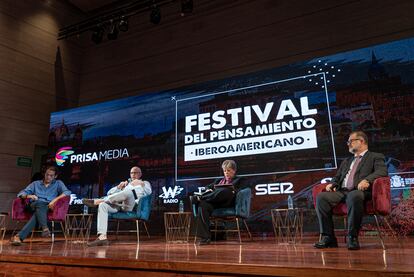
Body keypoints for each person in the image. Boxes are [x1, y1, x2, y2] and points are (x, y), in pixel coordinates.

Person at [314, 131, 388, 250]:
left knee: (354, 196)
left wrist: (367, 180)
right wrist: (333, 183)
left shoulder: (375, 156)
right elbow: (337, 176)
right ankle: (328, 237)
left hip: (361, 191)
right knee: (322, 197)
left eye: (351, 141)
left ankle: (352, 237)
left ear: (361, 141)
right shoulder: (347, 161)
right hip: (342, 192)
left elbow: (382, 172)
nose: (348, 144)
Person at [83, 166, 151, 246]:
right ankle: (102, 238)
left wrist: (141, 183)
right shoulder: (127, 184)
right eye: (131, 173)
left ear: (140, 174)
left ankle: (97, 201)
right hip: (118, 205)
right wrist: (119, 187)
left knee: (129, 192)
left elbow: (149, 192)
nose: (133, 174)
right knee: (103, 205)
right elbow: (109, 193)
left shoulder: (145, 183)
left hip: (132, 207)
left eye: (136, 172)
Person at [190, 160, 249, 245]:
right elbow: (207, 187)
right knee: (203, 206)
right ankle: (205, 238)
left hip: (228, 202)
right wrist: (209, 189)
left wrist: (233, 190)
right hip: (215, 202)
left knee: (226, 191)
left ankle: (201, 198)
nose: (226, 173)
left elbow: (242, 191)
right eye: (225, 171)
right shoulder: (218, 180)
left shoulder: (240, 180)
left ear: (234, 171)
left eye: (228, 170)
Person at [11, 166, 71, 246]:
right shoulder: (35, 184)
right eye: (47, 174)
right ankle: (45, 227)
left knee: (40, 210)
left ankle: (19, 236)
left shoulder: (58, 183)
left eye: (51, 175)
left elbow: (67, 192)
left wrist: (54, 200)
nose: (48, 177)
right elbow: (21, 194)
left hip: (47, 207)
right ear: (44, 174)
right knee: (39, 203)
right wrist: (29, 196)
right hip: (33, 205)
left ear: (55, 176)